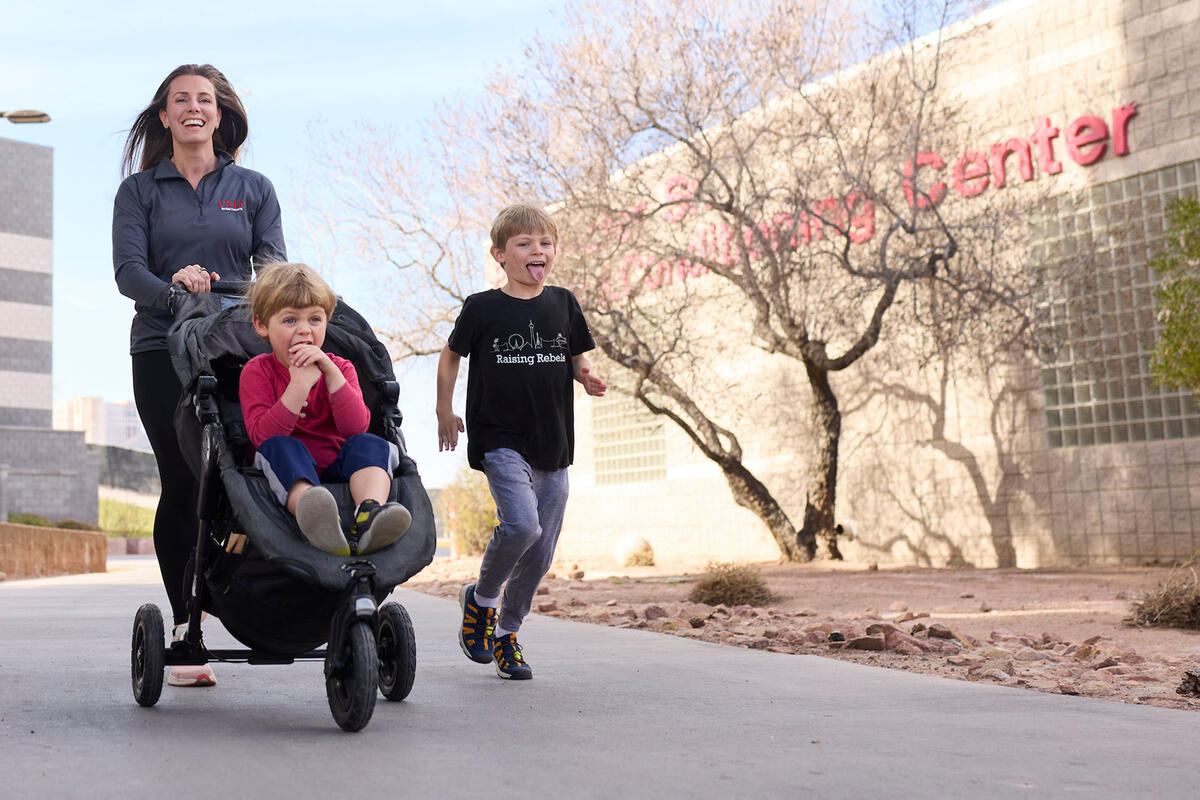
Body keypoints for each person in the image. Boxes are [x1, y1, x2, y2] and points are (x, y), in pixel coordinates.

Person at [113, 64, 285, 687]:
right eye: (180, 99)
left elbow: (274, 267)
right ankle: (188, 629)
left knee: (246, 472)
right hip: (161, 348)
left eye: (204, 99)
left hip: (237, 345)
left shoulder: (253, 187)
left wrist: (226, 292)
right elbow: (128, 271)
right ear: (164, 116)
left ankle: (249, 594)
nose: (193, 107)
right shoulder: (140, 191)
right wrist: (175, 291)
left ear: (219, 114)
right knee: (185, 479)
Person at [437, 203, 607, 680]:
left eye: (545, 243)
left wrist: (585, 375)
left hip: (552, 439)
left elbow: (577, 357)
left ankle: (507, 634)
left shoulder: (564, 303)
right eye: (525, 243)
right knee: (521, 526)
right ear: (500, 254)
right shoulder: (482, 307)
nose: (538, 250)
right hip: (499, 436)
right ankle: (482, 599)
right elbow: (450, 356)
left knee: (542, 550)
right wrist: (444, 409)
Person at [240, 262, 412, 556]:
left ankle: (370, 512)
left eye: (315, 319)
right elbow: (263, 437)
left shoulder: (341, 368)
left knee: (370, 442)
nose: (304, 329)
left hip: (338, 464)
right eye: (290, 320)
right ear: (262, 325)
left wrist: (331, 375)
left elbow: (355, 427)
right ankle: (312, 511)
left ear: (326, 321)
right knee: (280, 447)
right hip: (289, 470)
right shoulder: (257, 371)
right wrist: (298, 386)